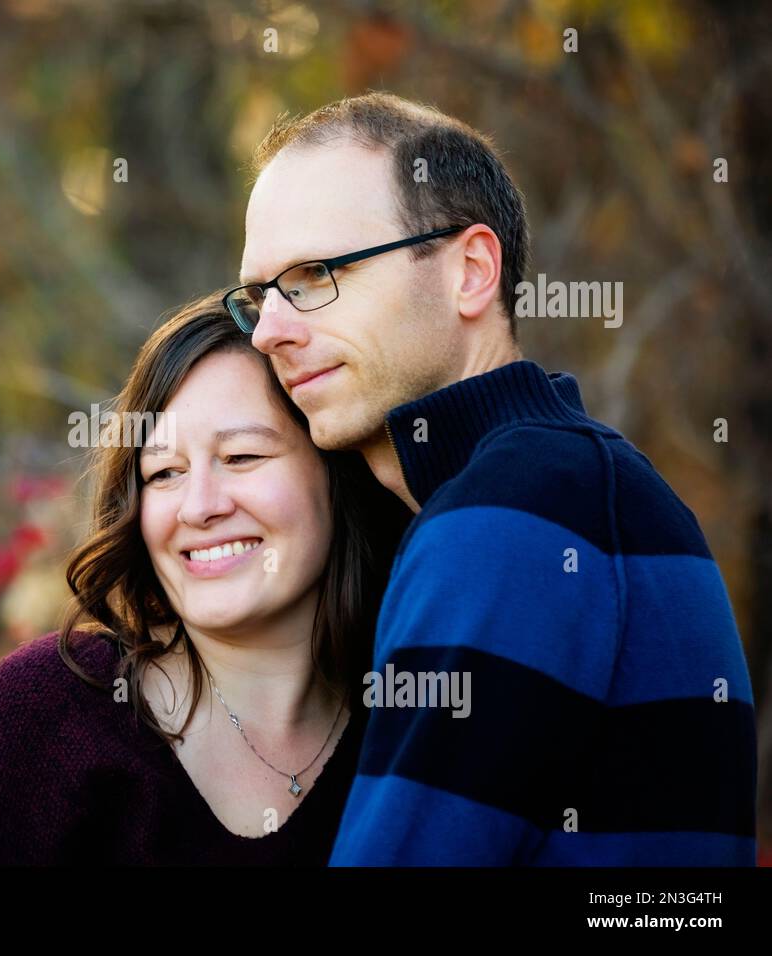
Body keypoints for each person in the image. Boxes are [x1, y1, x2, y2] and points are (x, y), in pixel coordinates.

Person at [226, 91, 757, 865]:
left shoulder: (513, 514)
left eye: (314, 275)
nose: (271, 330)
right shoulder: (571, 488)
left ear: (471, 271)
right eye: (258, 296)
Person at [0, 290, 406, 865]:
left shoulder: (409, 730)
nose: (197, 507)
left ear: (337, 476)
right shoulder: (44, 714)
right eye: (164, 472)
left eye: (241, 458)